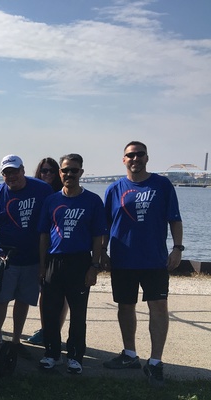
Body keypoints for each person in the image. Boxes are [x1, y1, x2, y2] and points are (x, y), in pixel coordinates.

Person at [101, 141, 183, 386]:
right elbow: (104, 226)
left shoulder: (162, 185)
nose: (135, 159)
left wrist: (177, 248)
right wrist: (101, 252)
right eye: (130, 155)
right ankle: (129, 354)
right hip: (123, 259)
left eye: (139, 154)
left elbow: (175, 220)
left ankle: (155, 362)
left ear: (147, 158)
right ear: (123, 160)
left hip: (154, 259)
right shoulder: (114, 189)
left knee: (158, 307)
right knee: (125, 307)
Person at [37, 154, 106, 375]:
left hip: (80, 261)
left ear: (81, 173)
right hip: (54, 261)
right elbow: (43, 235)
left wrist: (94, 266)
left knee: (78, 313)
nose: (69, 174)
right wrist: (42, 265)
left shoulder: (93, 201)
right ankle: (52, 354)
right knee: (50, 311)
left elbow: (98, 237)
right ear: (60, 173)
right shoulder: (52, 200)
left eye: (74, 171)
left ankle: (75, 356)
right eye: (65, 170)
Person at [0, 155, 53, 355]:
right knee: (1, 300)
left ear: (23, 170)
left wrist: (44, 261)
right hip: (6, 261)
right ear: (2, 175)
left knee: (23, 300)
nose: (11, 176)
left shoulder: (42, 190)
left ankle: (15, 341)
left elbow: (50, 222)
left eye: (14, 171)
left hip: (33, 259)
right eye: (6, 173)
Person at [27, 157, 65, 345]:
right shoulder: (36, 193)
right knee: (45, 292)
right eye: (44, 171)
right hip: (39, 248)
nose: (47, 174)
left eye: (51, 171)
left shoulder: (63, 193)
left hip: (59, 250)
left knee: (60, 294)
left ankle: (54, 331)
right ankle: (46, 328)